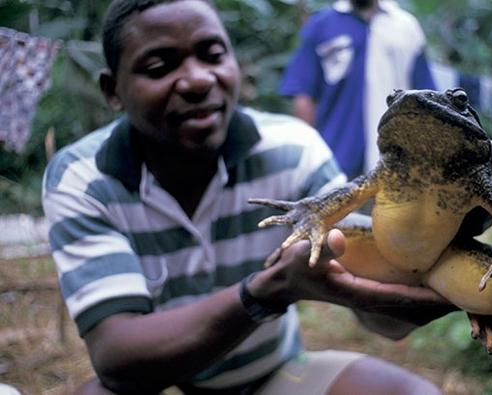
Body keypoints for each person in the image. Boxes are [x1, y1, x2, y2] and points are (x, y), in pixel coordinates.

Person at [42, 1, 464, 394]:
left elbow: (386, 322)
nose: (198, 79)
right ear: (112, 89)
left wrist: (440, 236)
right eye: (159, 66)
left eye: (212, 55)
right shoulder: (83, 178)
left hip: (273, 376)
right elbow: (118, 360)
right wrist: (266, 291)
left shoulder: (294, 151)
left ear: (235, 65)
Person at [279, 0, 436, 180]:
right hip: (333, 161)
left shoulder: (406, 27)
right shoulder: (322, 25)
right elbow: (303, 94)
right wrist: (306, 158)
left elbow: (425, 100)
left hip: (395, 163)